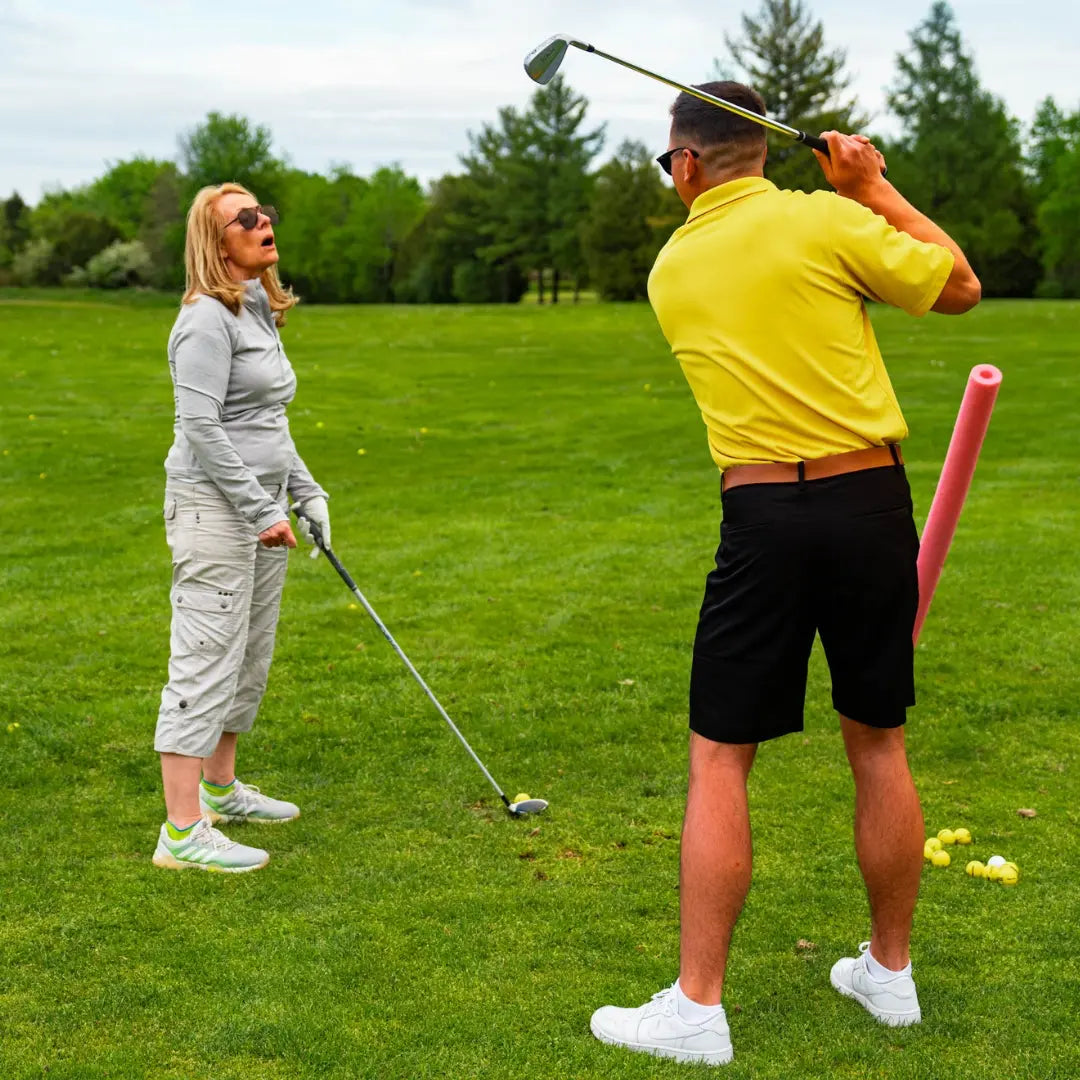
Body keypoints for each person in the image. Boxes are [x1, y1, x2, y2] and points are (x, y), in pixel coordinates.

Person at [589, 83, 981, 1066]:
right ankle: (890, 975)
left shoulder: (670, 268)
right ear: (765, 154)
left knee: (722, 755)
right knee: (877, 742)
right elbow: (960, 284)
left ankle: (698, 1007)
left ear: (685, 166)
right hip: (870, 504)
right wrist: (872, 187)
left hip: (761, 514)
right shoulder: (826, 223)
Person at [151, 183, 331, 873]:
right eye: (245, 219)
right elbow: (200, 427)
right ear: (215, 239)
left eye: (266, 214)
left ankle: (221, 791)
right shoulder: (204, 320)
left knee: (247, 659)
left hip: (264, 513)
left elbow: (266, 423)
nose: (264, 224)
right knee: (204, 659)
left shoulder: (255, 306)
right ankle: (182, 831)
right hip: (216, 513)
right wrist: (261, 510)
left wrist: (305, 493)